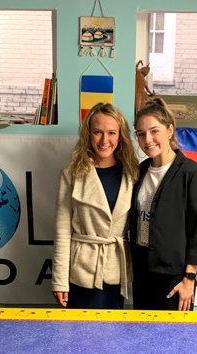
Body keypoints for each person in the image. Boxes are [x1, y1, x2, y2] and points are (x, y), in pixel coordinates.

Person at [52, 103, 139, 309]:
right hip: (81, 271)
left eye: (111, 133)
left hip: (116, 270)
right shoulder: (72, 173)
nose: (104, 140)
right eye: (97, 132)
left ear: (121, 136)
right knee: (80, 337)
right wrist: (59, 280)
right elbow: (63, 231)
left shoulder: (133, 173)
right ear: (88, 134)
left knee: (112, 337)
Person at [130, 97, 197, 311]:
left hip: (175, 278)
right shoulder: (141, 170)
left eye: (154, 131)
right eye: (141, 134)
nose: (148, 139)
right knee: (142, 338)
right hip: (142, 273)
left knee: (174, 341)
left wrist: (189, 280)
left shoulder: (191, 173)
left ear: (170, 130)